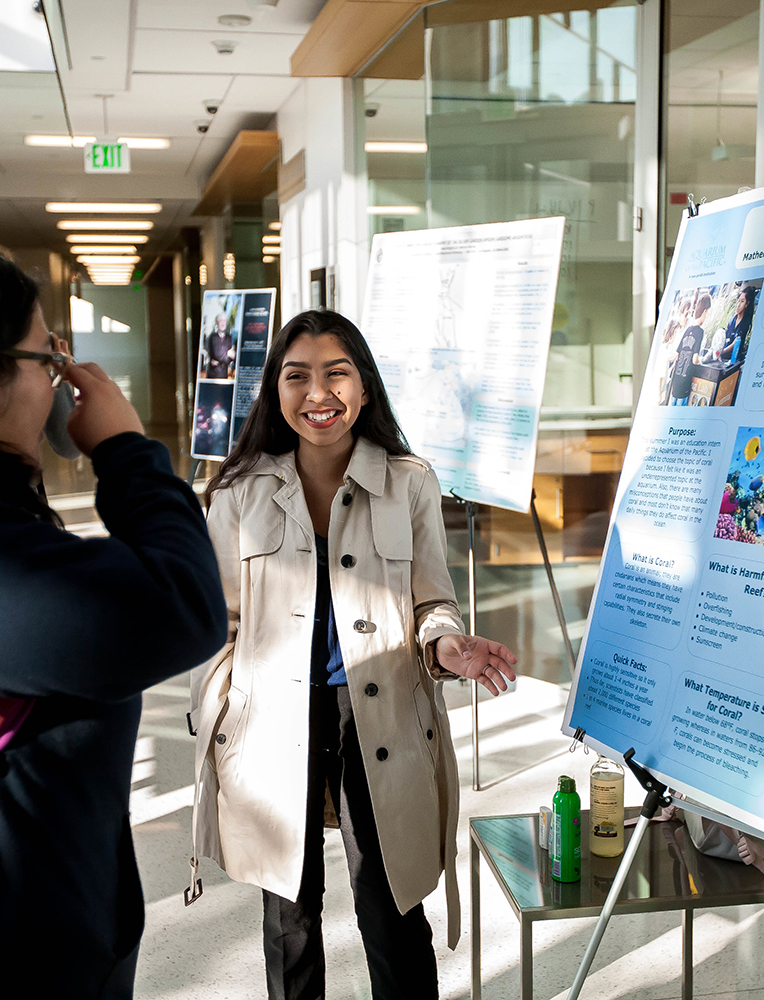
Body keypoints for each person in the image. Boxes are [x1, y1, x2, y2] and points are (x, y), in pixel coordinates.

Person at [189, 309, 518, 1000]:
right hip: (270, 717)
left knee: (390, 902)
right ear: (275, 391)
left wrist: (446, 644)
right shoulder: (238, 492)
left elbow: (432, 602)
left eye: (336, 373)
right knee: (288, 913)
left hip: (380, 713)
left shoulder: (410, 482)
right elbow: (218, 624)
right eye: (297, 376)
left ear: (364, 387)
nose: (318, 394)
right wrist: (219, 706)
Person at [0, 255, 228, 995]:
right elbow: (183, 603)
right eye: (46, 355)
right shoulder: (15, 568)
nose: (58, 372)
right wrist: (129, 451)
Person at [668, 292, 711, 405]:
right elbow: (695, 360)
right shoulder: (700, 332)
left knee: (673, 407)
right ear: (705, 311)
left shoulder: (688, 329)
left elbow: (677, 355)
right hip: (685, 381)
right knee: (680, 411)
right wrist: (701, 361)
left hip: (677, 379)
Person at [719, 285, 756, 366]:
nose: (738, 305)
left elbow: (736, 342)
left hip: (734, 361)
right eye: (739, 301)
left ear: (747, 304)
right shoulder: (732, 320)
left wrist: (722, 351)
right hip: (724, 358)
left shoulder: (746, 323)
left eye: (742, 301)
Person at [204, 310, 235, 379]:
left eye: (224, 321)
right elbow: (217, 354)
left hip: (224, 375)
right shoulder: (213, 337)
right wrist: (228, 354)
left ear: (227, 324)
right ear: (217, 323)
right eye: (221, 321)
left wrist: (231, 356)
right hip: (213, 376)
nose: (223, 323)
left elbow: (231, 359)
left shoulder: (229, 338)